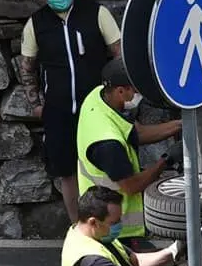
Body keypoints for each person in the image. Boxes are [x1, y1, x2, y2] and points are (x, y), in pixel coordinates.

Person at [18, 0, 123, 224]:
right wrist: (36, 103)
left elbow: (119, 56)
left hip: (98, 110)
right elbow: (27, 67)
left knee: (105, 169)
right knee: (67, 172)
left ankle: (109, 227)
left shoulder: (96, 13)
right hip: (59, 110)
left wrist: (117, 99)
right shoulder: (36, 24)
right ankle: (78, 227)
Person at [77, 58, 183, 249]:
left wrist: (180, 126)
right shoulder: (108, 143)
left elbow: (137, 133)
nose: (137, 93)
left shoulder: (98, 97)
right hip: (114, 227)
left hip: (103, 216)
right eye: (133, 89)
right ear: (120, 91)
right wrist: (166, 160)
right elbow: (132, 185)